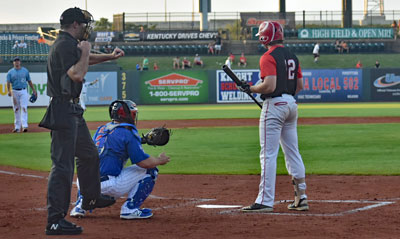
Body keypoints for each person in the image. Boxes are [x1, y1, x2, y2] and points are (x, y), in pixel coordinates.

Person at [42, 7, 125, 236]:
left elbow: (83, 59)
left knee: (88, 155)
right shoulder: (65, 44)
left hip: (72, 110)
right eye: (85, 24)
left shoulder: (68, 43)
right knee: (63, 166)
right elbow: (77, 74)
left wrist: (109, 56)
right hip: (63, 110)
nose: (88, 29)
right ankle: (55, 220)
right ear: (75, 24)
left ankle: (90, 197)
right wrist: (87, 52)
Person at [239, 21, 308, 213]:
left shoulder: (268, 56)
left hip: (274, 105)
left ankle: (265, 200)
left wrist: (251, 88)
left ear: (265, 37)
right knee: (292, 152)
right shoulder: (292, 56)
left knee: (268, 154)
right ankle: (301, 197)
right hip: (291, 105)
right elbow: (299, 86)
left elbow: (269, 85)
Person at [70, 100, 171, 219]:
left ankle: (80, 206)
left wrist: (141, 141)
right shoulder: (128, 133)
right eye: (133, 114)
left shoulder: (102, 129)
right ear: (126, 115)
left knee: (89, 169)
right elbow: (143, 163)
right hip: (107, 185)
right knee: (151, 170)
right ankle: (130, 209)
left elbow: (113, 144)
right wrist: (160, 160)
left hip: (84, 183)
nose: (134, 116)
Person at [6, 56, 37, 133]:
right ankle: (17, 127)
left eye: (18, 61)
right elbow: (8, 82)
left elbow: (29, 81)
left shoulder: (25, 71)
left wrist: (33, 90)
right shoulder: (10, 72)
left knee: (24, 108)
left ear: (20, 62)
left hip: (23, 91)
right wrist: (8, 91)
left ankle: (24, 126)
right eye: (15, 61)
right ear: (13, 62)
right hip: (14, 91)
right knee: (16, 109)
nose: (17, 62)